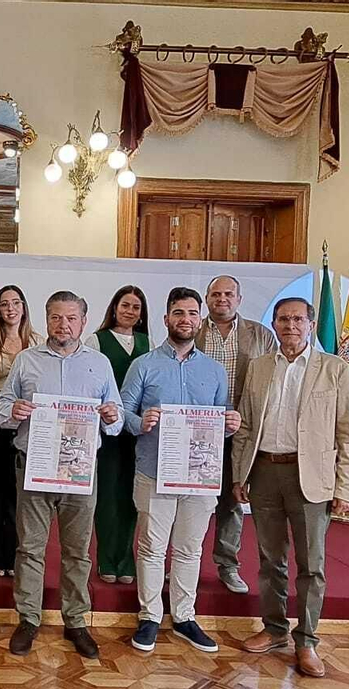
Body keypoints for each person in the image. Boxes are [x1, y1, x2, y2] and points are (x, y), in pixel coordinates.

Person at [232, 297, 349, 678]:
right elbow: (246, 426)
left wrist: (345, 488)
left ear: (310, 324)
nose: (290, 325)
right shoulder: (258, 367)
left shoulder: (334, 369)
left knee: (311, 564)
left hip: (312, 479)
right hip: (266, 472)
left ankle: (307, 641)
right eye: (283, 319)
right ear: (274, 323)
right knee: (270, 560)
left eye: (298, 319)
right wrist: (241, 475)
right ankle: (274, 629)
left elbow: (348, 434)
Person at [0, 291, 123, 659]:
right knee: (30, 547)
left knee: (77, 550)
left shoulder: (99, 364)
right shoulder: (26, 359)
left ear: (84, 322)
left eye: (71, 318)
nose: (63, 324)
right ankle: (28, 619)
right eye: (56, 317)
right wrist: (14, 410)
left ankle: (76, 620)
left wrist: (112, 418)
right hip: (33, 465)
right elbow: (3, 406)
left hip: (81, 470)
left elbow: (113, 415)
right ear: (46, 319)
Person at [119, 287, 242, 654]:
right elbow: (122, 414)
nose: (184, 319)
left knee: (190, 549)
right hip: (153, 470)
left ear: (200, 320)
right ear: (166, 319)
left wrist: (230, 423)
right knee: (152, 548)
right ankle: (150, 617)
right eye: (177, 313)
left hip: (199, 475)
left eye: (191, 313)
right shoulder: (144, 365)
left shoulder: (214, 370)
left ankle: (185, 616)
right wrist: (141, 421)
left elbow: (222, 418)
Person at [196, 275, 278, 595]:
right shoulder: (193, 331)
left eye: (229, 294)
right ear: (207, 299)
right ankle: (183, 561)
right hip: (199, 430)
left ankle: (227, 564)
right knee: (192, 500)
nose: (222, 299)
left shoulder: (260, 335)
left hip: (242, 431)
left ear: (239, 299)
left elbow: (274, 381)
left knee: (232, 499)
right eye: (216, 294)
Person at [83, 285, 151, 585]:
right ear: (114, 307)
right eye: (125, 305)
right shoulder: (96, 341)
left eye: (136, 307)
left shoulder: (147, 342)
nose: (130, 311)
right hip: (107, 431)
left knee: (131, 497)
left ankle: (126, 559)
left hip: (137, 432)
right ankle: (106, 559)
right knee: (107, 496)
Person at [0, 285, 42, 578]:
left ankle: (18, 555)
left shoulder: (39, 342)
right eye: (4, 304)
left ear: (24, 307)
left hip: (29, 426)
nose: (11, 308)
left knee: (20, 497)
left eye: (16, 302)